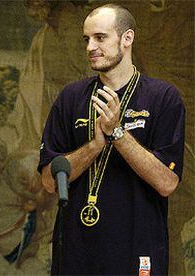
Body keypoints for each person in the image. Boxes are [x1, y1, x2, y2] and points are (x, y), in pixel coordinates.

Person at [38, 4, 185, 275]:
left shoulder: (163, 97)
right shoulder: (70, 98)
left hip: (136, 250)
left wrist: (118, 133)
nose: (90, 47)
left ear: (127, 38)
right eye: (87, 39)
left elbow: (167, 183)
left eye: (100, 37)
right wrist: (94, 146)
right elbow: (49, 181)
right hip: (76, 252)